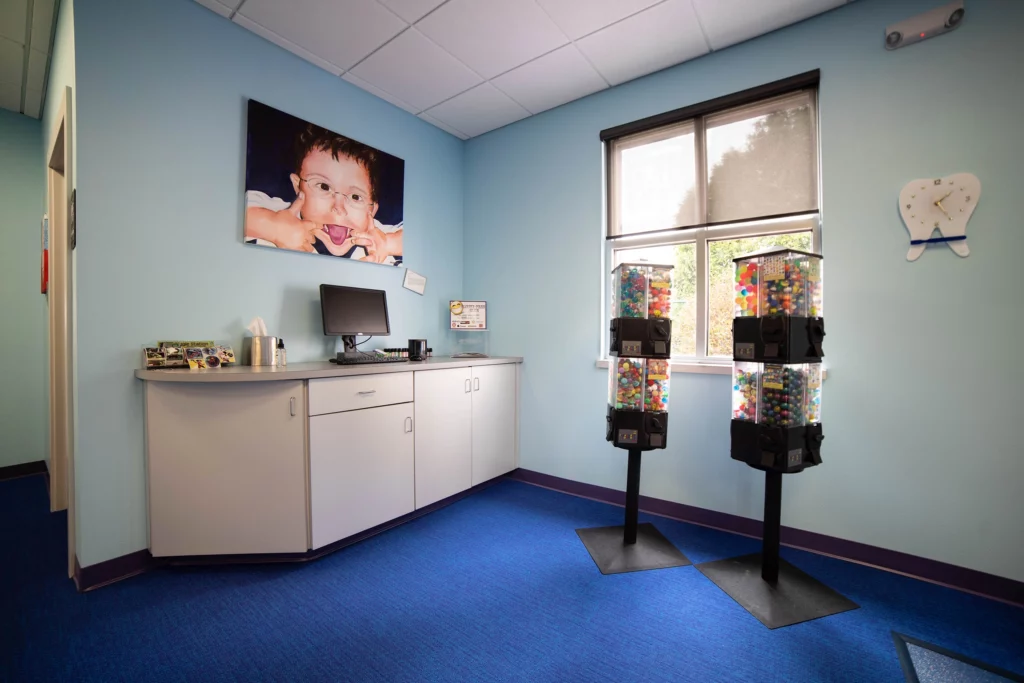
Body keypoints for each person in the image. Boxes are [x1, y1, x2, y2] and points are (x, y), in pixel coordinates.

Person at [245, 124, 402, 264]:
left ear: (371, 210)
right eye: (324, 187)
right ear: (298, 186)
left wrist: (389, 244)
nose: (339, 208)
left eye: (355, 197)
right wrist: (273, 227)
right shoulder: (279, 215)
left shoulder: (375, 236)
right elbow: (231, 212)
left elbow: (420, 241)